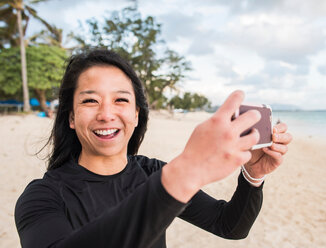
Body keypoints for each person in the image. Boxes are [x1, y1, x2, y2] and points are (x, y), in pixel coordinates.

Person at [15, 49, 292, 248]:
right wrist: (183, 175)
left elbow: (229, 226)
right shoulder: (42, 197)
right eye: (90, 101)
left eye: (120, 100)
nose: (106, 114)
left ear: (136, 115)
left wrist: (253, 176)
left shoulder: (154, 173)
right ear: (71, 118)